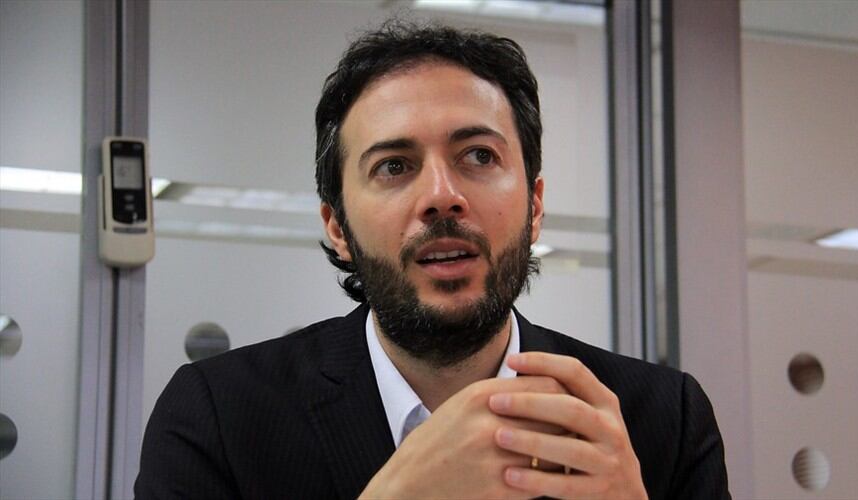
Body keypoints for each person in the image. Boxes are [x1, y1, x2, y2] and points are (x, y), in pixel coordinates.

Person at [136, 20, 729, 499]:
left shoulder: (661, 421)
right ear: (337, 226)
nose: (443, 195)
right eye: (393, 166)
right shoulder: (218, 416)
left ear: (535, 206)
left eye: (478, 155)